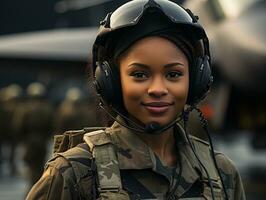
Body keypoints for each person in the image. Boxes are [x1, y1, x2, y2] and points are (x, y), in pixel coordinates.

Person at [26, 0, 245, 199]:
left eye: (173, 74)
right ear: (111, 81)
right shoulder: (74, 173)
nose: (158, 89)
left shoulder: (222, 173)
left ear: (197, 79)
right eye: (139, 74)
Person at [12, 82, 54, 185]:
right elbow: (52, 126)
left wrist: (23, 139)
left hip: (30, 142)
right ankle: (38, 187)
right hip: (42, 142)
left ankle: (33, 188)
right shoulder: (47, 108)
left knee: (31, 166)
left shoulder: (25, 109)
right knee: (40, 166)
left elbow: (18, 126)